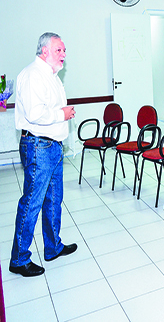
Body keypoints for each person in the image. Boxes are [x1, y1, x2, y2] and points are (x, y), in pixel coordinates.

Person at [10, 33, 78, 277]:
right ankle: (19, 259)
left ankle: (53, 246)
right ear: (45, 50)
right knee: (32, 202)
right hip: (38, 146)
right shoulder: (32, 75)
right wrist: (62, 114)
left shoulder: (51, 76)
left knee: (53, 198)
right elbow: (35, 113)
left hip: (53, 146)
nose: (64, 54)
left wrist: (61, 116)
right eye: (59, 50)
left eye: (64, 50)